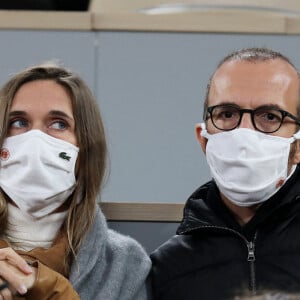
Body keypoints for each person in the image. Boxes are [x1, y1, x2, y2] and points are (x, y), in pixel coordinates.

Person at [150, 47, 300, 299]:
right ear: (204, 140)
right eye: (227, 114)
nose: (244, 134)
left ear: (298, 146)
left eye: (270, 116)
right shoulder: (167, 268)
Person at [0, 62, 151, 299]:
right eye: (19, 122)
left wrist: (55, 291)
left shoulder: (123, 264)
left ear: (85, 149)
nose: (35, 140)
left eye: (59, 124)